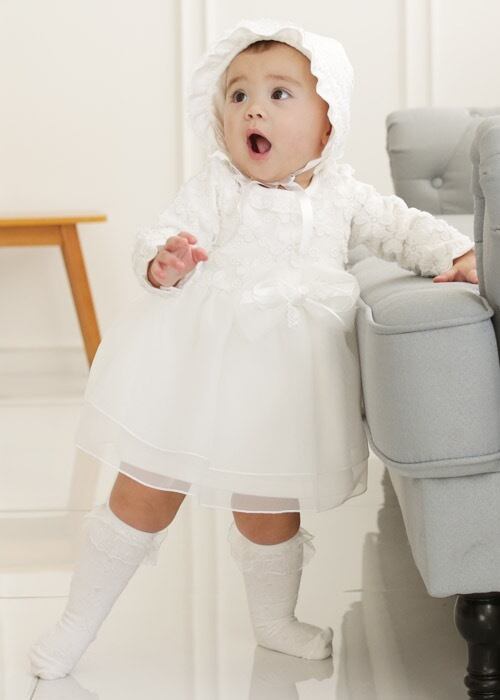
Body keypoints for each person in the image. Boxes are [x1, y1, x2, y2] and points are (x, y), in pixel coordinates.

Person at [30, 18, 478, 679]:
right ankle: (77, 621)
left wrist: (459, 253)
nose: (253, 109)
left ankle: (274, 621)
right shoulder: (218, 187)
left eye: (279, 93)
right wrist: (164, 260)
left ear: (327, 123)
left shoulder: (344, 195)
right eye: (237, 95)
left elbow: (405, 230)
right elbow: (164, 231)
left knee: (269, 510)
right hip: (197, 371)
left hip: (283, 389)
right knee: (144, 492)